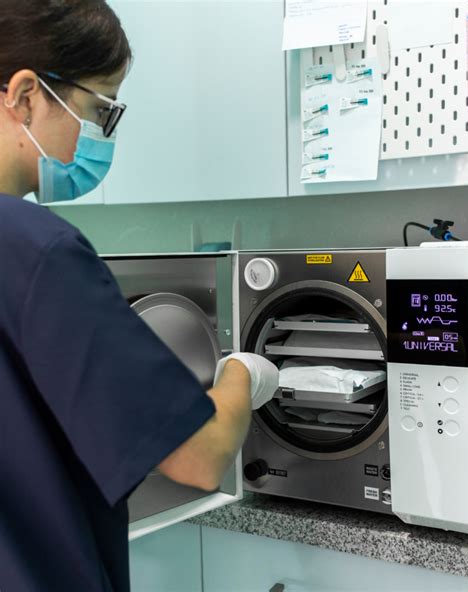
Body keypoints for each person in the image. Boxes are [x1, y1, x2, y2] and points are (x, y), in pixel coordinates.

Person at [0, 2, 279, 591]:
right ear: (25, 96)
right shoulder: (38, 251)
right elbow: (199, 456)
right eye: (98, 109)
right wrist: (242, 374)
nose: (99, 134)